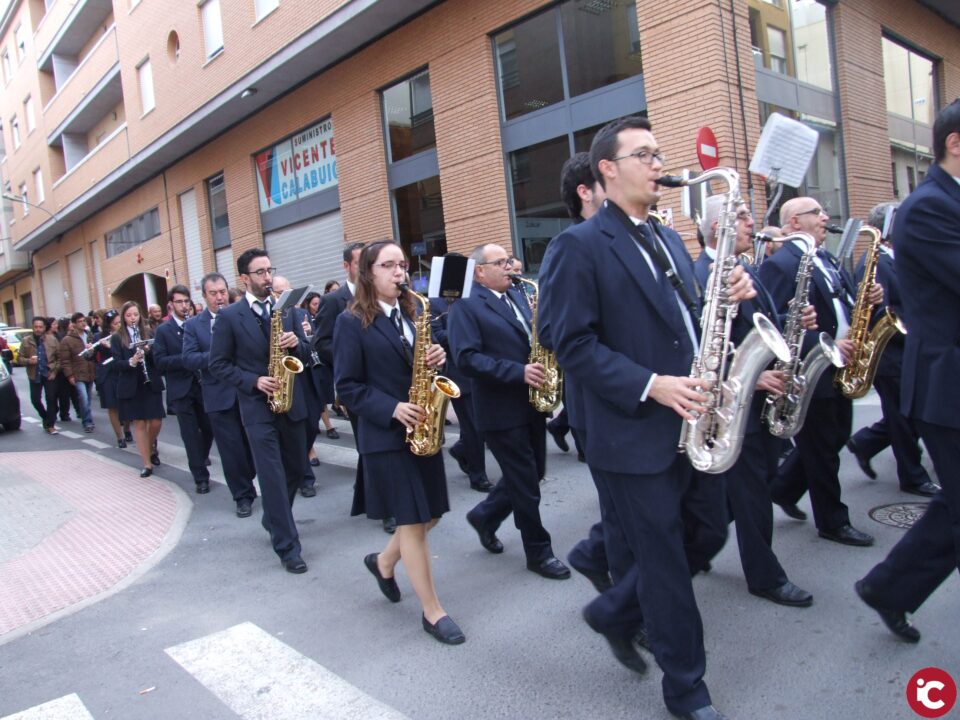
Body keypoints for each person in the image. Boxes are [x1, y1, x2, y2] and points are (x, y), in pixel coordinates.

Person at [542, 115, 757, 720]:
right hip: (630, 430)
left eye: (659, 153)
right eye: (644, 154)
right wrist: (651, 385)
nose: (658, 163)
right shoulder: (576, 246)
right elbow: (572, 345)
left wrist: (731, 296)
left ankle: (612, 611)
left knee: (710, 532)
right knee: (663, 563)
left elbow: (690, 320)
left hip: (690, 421)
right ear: (606, 169)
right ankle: (687, 687)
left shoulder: (666, 237)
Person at [855, 98, 960, 644]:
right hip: (948, 384)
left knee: (954, 507)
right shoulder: (927, 207)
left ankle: (888, 587)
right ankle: (887, 588)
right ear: (955, 142)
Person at [334, 240, 464, 645]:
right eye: (388, 265)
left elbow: (419, 362)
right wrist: (392, 408)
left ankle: (384, 562)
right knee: (412, 520)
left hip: (422, 428)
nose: (398, 272)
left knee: (431, 515)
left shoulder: (414, 312)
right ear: (367, 273)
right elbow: (347, 387)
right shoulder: (350, 322)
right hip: (387, 435)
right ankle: (433, 611)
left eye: (402, 265)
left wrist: (438, 357)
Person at [694, 195, 815, 607]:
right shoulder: (700, 274)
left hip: (760, 402)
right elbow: (701, 348)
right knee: (753, 495)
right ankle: (765, 577)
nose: (751, 221)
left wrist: (794, 324)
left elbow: (767, 325)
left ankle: (694, 549)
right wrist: (752, 375)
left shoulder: (751, 270)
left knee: (744, 492)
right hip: (734, 404)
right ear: (719, 228)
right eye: (742, 215)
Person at [759, 197, 881, 546]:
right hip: (812, 370)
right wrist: (825, 344)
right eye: (817, 212)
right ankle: (832, 521)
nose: (826, 217)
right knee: (823, 447)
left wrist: (867, 299)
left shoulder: (824, 257)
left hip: (840, 366)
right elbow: (777, 325)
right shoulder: (781, 263)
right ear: (795, 222)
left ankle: (783, 487)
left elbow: (841, 305)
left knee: (837, 435)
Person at [449, 242, 570, 581]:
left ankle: (485, 515)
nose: (509, 267)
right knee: (526, 482)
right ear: (480, 271)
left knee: (532, 473)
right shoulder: (466, 306)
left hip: (531, 402)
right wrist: (518, 372)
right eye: (500, 262)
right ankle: (538, 552)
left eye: (509, 261)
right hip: (500, 409)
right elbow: (467, 358)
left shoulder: (518, 296)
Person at [209, 249, 312, 573]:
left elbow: (308, 356)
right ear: (244, 278)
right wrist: (254, 381)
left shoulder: (289, 311)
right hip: (257, 407)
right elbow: (218, 364)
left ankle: (272, 517)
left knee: (296, 470)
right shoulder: (229, 317)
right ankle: (288, 547)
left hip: (290, 403)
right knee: (271, 476)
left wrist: (298, 344)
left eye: (270, 270)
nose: (268, 278)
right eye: (260, 272)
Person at [539, 151, 609, 591]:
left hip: (649, 400)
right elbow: (552, 330)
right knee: (627, 511)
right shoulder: (571, 246)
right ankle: (622, 600)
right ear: (586, 192)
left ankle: (599, 558)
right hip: (602, 402)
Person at [845, 202, 938, 497]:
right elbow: (879, 313)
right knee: (902, 417)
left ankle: (865, 442)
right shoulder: (876, 262)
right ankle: (912, 476)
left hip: (904, 353)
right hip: (890, 354)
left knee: (907, 414)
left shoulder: (893, 260)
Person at [183, 272, 258, 518]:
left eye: (223, 292)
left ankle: (248, 477)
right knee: (230, 449)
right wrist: (218, 356)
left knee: (251, 446)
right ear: (204, 297)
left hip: (246, 391)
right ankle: (242, 496)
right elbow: (189, 358)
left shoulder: (241, 315)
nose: (219, 298)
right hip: (218, 395)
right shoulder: (194, 325)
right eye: (213, 294)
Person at [429, 253, 491, 493]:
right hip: (457, 371)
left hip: (479, 369)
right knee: (473, 426)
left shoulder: (472, 296)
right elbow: (437, 335)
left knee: (480, 425)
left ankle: (462, 450)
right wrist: (465, 334)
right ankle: (478, 476)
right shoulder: (434, 302)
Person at [154, 285, 214, 494]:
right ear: (170, 305)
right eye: (179, 302)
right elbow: (160, 362)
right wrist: (186, 359)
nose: (184, 305)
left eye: (186, 301)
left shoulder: (196, 324)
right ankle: (200, 477)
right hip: (180, 389)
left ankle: (201, 455)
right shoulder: (163, 330)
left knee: (208, 428)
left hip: (201, 386)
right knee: (190, 435)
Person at [272, 275, 321, 498]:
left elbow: (307, 346)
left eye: (288, 292)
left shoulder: (298, 313)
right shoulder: (268, 316)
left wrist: (299, 341)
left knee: (311, 425)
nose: (285, 298)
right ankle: (305, 477)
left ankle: (301, 469)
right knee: (294, 432)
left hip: (304, 377)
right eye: (279, 293)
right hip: (280, 380)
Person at [112, 301, 165, 477]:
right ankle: (147, 463)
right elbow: (117, 363)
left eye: (135, 315)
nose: (132, 318)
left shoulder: (147, 332)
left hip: (149, 381)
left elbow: (158, 357)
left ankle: (149, 448)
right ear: (123, 317)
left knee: (156, 420)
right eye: (128, 316)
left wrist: (149, 350)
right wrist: (131, 361)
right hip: (131, 384)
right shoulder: (118, 337)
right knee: (140, 423)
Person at [17, 317, 60, 434]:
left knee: (51, 399)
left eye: (40, 327)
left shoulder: (52, 340)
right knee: (35, 400)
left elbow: (59, 358)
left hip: (49, 373)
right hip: (34, 374)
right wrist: (28, 361)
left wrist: (55, 371)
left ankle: (50, 425)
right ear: (32, 327)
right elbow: (19, 358)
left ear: (45, 328)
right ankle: (46, 417)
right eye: (36, 327)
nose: (38, 329)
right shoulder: (26, 341)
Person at [91, 310, 128, 447]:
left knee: (126, 404)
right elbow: (92, 357)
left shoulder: (125, 335)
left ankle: (127, 428)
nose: (118, 325)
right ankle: (120, 437)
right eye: (115, 323)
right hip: (108, 374)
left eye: (119, 322)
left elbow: (127, 352)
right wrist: (90, 349)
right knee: (112, 406)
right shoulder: (99, 337)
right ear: (109, 325)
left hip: (123, 371)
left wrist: (112, 346)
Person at [58, 312, 97, 433]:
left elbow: (94, 355)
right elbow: (64, 360)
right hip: (77, 373)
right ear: (74, 324)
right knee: (83, 397)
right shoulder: (67, 340)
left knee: (88, 398)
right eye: (80, 321)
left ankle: (86, 416)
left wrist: (92, 350)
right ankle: (87, 422)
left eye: (84, 320)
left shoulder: (89, 335)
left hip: (89, 371)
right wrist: (69, 375)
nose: (83, 323)